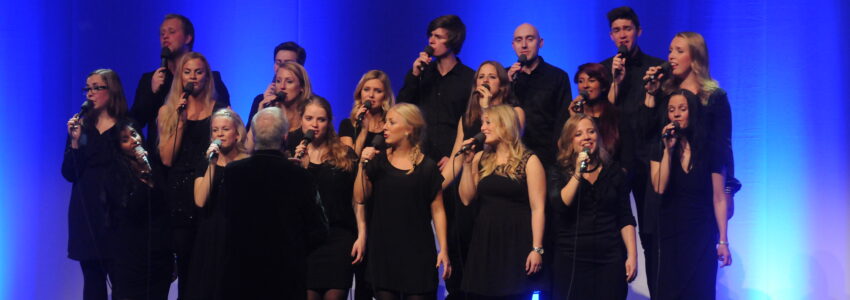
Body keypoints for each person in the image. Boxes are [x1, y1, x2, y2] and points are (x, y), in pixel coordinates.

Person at [220, 107, 328, 299]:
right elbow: (319, 230)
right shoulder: (300, 176)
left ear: (252, 135)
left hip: (240, 276)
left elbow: (224, 222)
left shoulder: (232, 172)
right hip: (286, 278)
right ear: (285, 136)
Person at [440, 60, 525, 299]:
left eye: (492, 77)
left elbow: (507, 143)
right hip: (468, 190)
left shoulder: (514, 113)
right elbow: (455, 160)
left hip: (495, 195)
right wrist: (430, 189)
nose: (485, 81)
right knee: (463, 260)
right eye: (481, 77)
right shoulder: (467, 118)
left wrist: (487, 109)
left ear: (503, 84)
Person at [354, 103, 451, 300]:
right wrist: (362, 165)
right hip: (384, 252)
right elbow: (360, 197)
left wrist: (444, 250)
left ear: (408, 129)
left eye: (391, 122)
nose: (385, 127)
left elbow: (438, 209)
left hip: (417, 253)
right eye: (386, 122)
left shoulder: (427, 167)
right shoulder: (378, 162)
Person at [156, 51, 227, 299]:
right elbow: (166, 158)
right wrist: (180, 120)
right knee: (184, 262)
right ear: (180, 77)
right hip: (179, 195)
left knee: (208, 264)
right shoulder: (168, 111)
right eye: (188, 72)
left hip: (209, 188)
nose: (193, 77)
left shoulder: (219, 110)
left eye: (198, 72)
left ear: (207, 77)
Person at [648, 90, 731, 299]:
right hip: (671, 232)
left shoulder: (711, 147)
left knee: (700, 290)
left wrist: (723, 241)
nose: (676, 115)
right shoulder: (660, 145)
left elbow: (719, 197)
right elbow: (659, 187)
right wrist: (668, 150)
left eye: (682, 109)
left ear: (692, 112)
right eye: (671, 110)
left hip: (701, 232)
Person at [457, 105, 546, 299]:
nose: (483, 128)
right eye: (482, 123)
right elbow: (466, 198)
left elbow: (538, 208)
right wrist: (466, 164)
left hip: (515, 241)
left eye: (488, 122)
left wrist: (536, 248)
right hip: (486, 240)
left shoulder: (529, 161)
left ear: (505, 125)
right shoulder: (480, 158)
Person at [548, 115, 637, 300]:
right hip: (571, 259)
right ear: (570, 142)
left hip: (609, 259)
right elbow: (560, 204)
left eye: (591, 131)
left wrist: (632, 255)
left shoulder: (613, 171)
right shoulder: (558, 171)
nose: (586, 137)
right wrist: (578, 173)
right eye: (578, 134)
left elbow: (625, 216)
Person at [643, 31, 740, 202]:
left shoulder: (714, 97)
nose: (671, 56)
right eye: (670, 50)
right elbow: (649, 136)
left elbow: (724, 146)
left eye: (679, 51)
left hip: (703, 184)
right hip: (670, 185)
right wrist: (651, 94)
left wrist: (728, 190)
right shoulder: (666, 97)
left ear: (696, 57)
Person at [62, 69, 129, 300]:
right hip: (86, 211)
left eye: (96, 87)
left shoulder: (125, 127)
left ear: (111, 91)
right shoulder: (81, 127)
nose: (89, 93)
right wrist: (74, 141)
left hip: (116, 211)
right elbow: (69, 172)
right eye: (87, 88)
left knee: (121, 279)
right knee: (92, 280)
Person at [130, 14, 230, 166]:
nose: (165, 37)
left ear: (188, 38)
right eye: (162, 33)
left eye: (171, 32)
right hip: (161, 165)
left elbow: (225, 117)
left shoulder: (211, 79)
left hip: (202, 160)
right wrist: (151, 92)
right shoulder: (150, 79)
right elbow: (136, 122)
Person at [292, 98, 361, 300]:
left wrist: (362, 235)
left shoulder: (345, 154)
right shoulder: (293, 157)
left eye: (321, 119)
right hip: (306, 241)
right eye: (309, 118)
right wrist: (300, 170)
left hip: (338, 239)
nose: (314, 124)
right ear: (301, 120)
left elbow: (357, 200)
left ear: (329, 122)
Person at [186, 108, 249, 300]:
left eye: (225, 129)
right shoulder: (206, 163)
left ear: (237, 134)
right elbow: (200, 200)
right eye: (215, 130)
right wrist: (212, 164)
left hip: (237, 236)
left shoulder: (248, 163)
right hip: (210, 235)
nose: (219, 134)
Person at [398, 14, 474, 170]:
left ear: (453, 40)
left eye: (438, 37)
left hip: (452, 159)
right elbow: (401, 109)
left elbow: (471, 122)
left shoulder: (468, 78)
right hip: (419, 155)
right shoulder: (421, 73)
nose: (431, 41)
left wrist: (454, 156)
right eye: (431, 35)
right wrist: (415, 76)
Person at [110, 122, 172, 300]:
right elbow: (131, 209)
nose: (133, 140)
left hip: (159, 255)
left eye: (134, 134)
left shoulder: (155, 166)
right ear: (118, 147)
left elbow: (165, 206)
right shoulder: (117, 173)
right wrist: (143, 176)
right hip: (131, 257)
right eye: (125, 139)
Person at [507, 23, 572, 167]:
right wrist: (508, 85)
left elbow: (563, 121)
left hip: (547, 158)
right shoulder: (505, 77)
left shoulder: (558, 77)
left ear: (540, 43)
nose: (524, 45)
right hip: (511, 157)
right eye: (519, 40)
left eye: (530, 39)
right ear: (513, 45)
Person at [244, 61, 314, 154]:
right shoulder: (268, 112)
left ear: (302, 87)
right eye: (278, 81)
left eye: (289, 82)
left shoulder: (310, 115)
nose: (282, 86)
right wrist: (260, 114)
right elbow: (247, 151)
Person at [246, 41, 308, 131]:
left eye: (288, 63)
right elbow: (248, 143)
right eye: (278, 62)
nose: (281, 67)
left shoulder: (312, 104)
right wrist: (264, 111)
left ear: (300, 67)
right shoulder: (261, 101)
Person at [565, 63, 620, 158]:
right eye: (580, 81)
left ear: (603, 86)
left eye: (591, 80)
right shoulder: (572, 115)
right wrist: (574, 119)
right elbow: (565, 151)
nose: (585, 86)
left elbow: (627, 158)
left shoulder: (616, 116)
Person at [339, 70, 395, 155]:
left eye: (378, 91)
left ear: (385, 96)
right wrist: (364, 130)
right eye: (366, 89)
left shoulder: (390, 127)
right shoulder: (347, 124)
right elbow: (349, 162)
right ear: (360, 93)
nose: (371, 95)